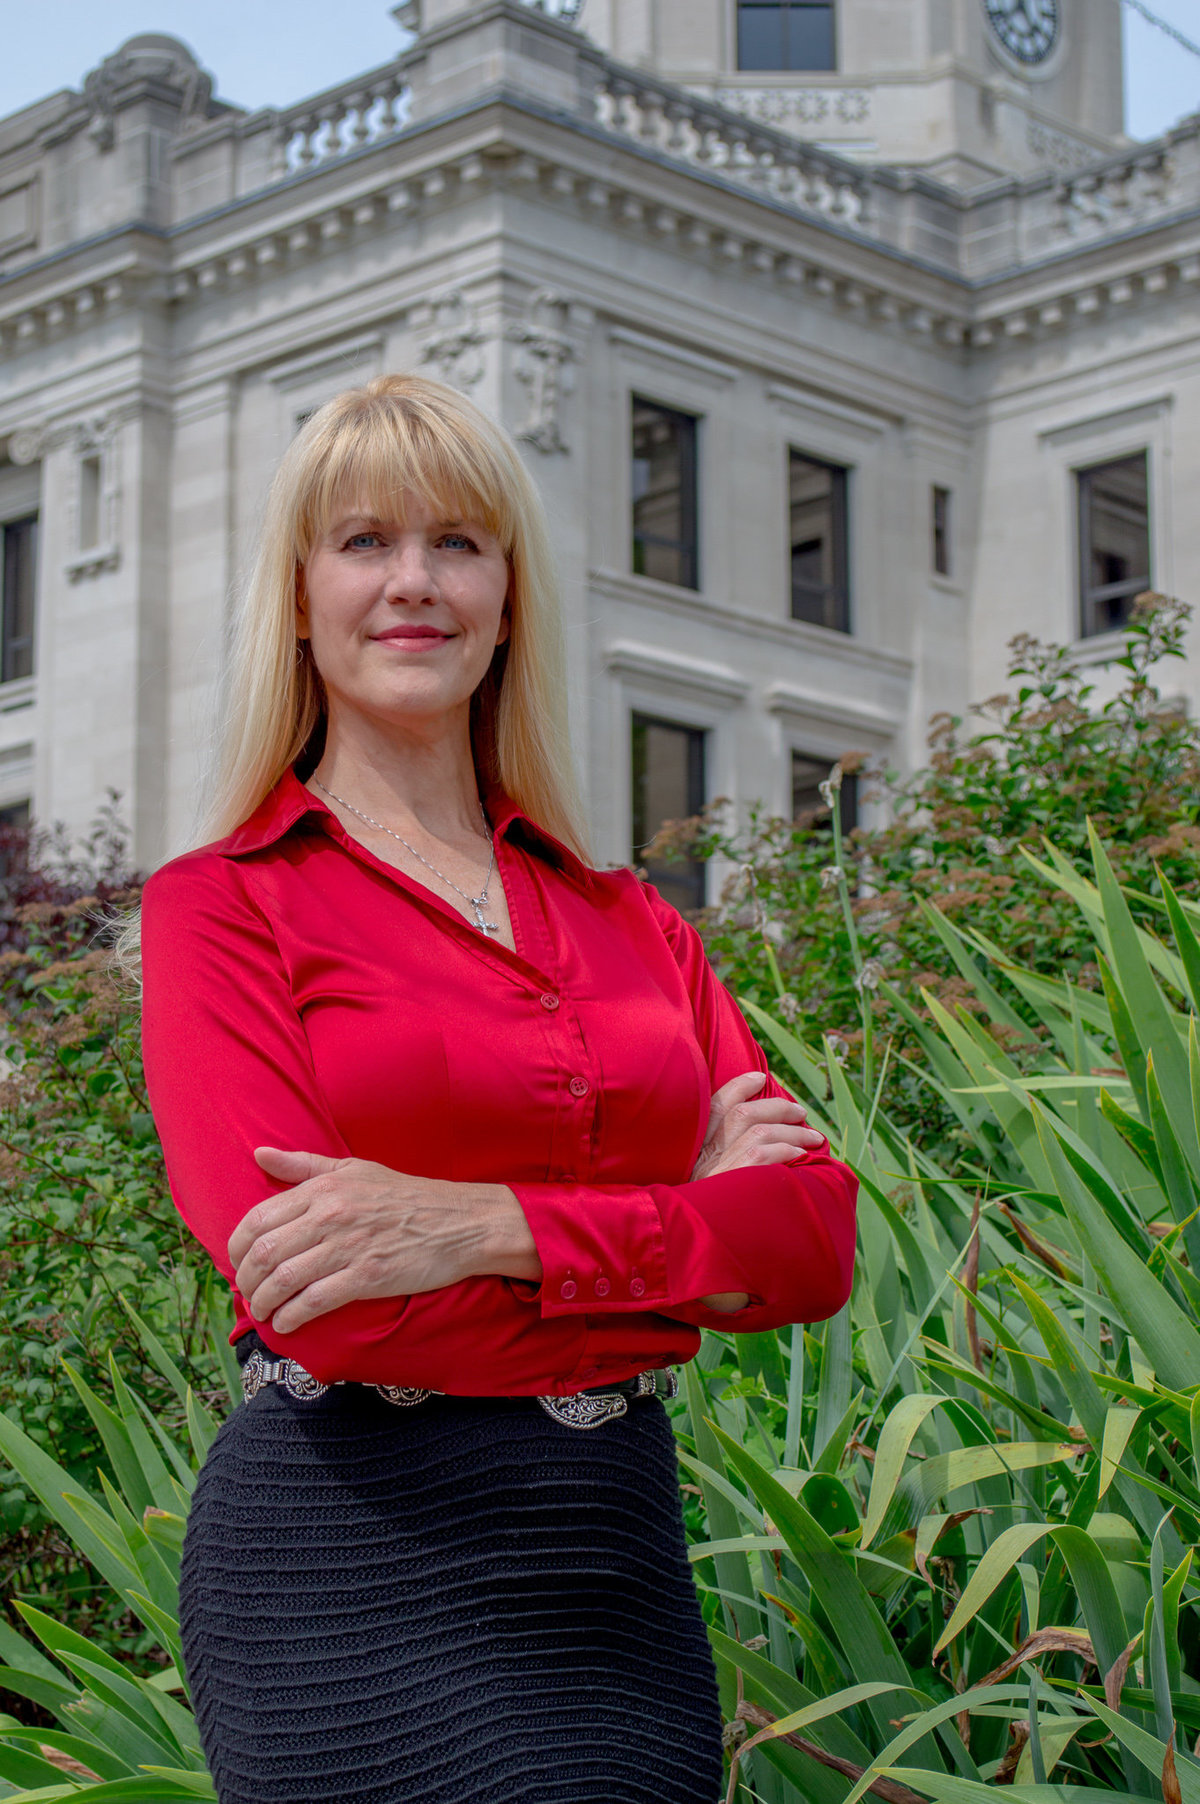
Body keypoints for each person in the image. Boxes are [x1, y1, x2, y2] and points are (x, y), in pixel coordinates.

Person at [131, 372, 858, 1804]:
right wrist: (683, 1227)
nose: (416, 582)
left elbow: (814, 1244)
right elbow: (330, 1299)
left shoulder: (633, 923)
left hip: (608, 1554)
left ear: (513, 597)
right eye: (364, 543)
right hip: (347, 1551)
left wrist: (480, 1226)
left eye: (460, 543)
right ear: (296, 596)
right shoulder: (221, 909)